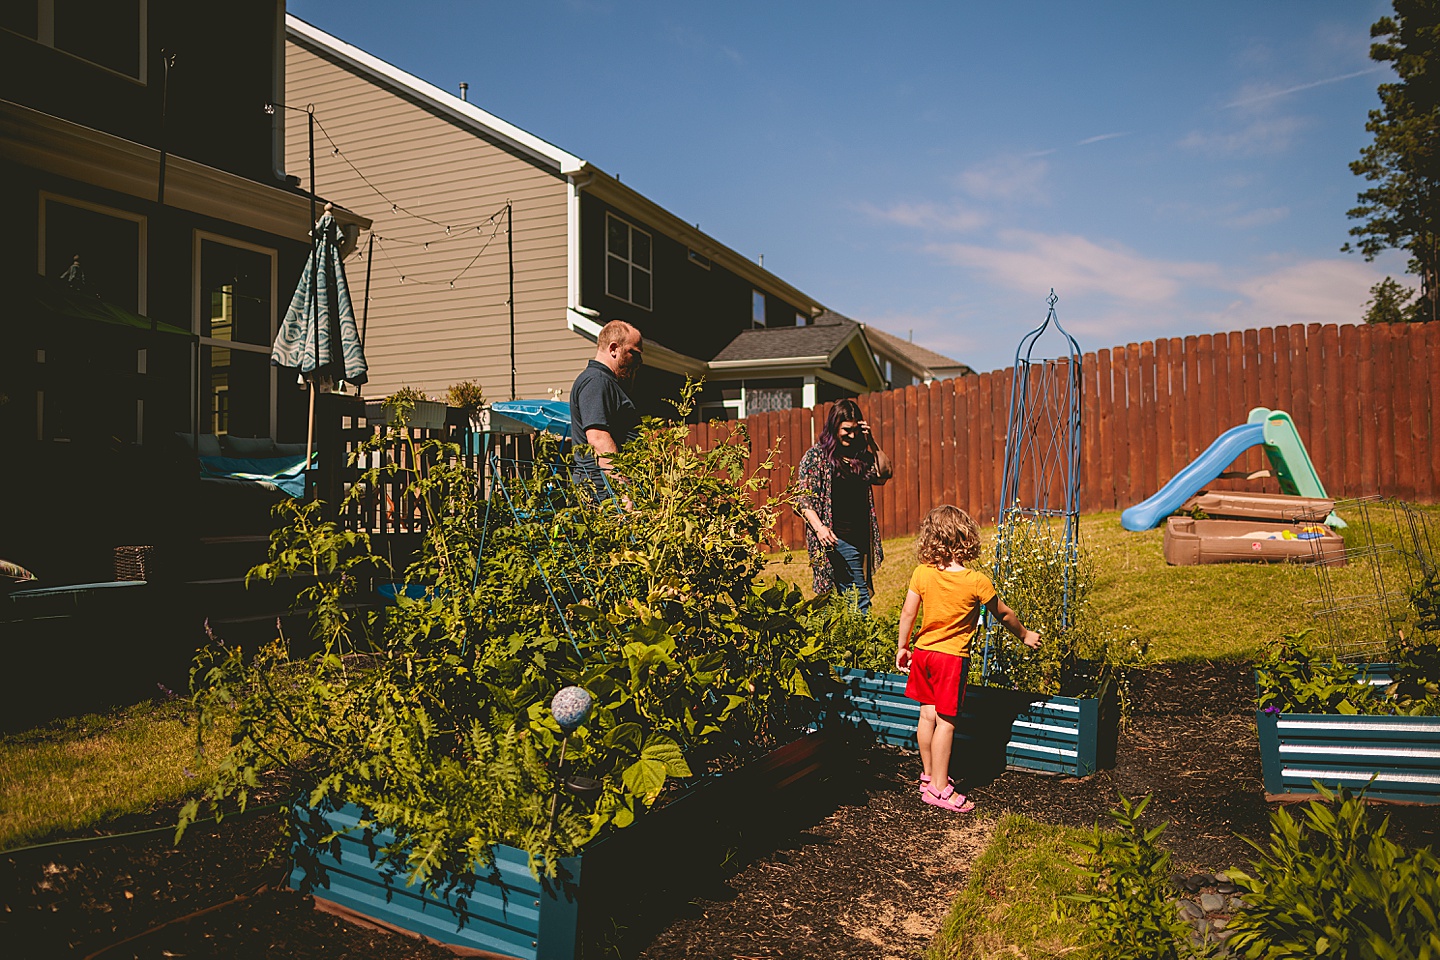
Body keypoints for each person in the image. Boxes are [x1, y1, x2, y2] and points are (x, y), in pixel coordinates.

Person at [895, 505, 1040, 813]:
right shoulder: (976, 582)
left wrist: (903, 647)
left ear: (931, 538)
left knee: (926, 716)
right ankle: (939, 788)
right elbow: (1004, 614)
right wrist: (1025, 634)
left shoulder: (922, 573)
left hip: (923, 654)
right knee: (946, 723)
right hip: (950, 659)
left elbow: (908, 613)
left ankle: (928, 775)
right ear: (966, 538)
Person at [796, 399, 892, 612]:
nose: (852, 435)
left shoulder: (860, 455)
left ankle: (838, 639)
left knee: (841, 597)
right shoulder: (817, 456)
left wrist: (872, 442)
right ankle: (865, 641)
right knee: (859, 597)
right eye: (847, 430)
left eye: (856, 430)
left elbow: (885, 473)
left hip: (860, 538)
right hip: (835, 537)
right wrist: (820, 528)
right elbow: (802, 499)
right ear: (834, 427)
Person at [569, 320, 644, 496]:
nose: (639, 361)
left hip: (606, 490)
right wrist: (622, 490)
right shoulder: (597, 382)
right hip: (603, 493)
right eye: (634, 353)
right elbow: (598, 438)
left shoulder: (605, 382)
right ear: (613, 349)